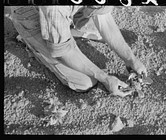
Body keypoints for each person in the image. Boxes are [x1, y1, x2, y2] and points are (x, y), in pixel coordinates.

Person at [10, 6, 147, 97]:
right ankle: (30, 41)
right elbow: (64, 52)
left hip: (62, 12)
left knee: (96, 26)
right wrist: (105, 78)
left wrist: (131, 59)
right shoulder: (54, 8)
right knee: (85, 82)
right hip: (31, 16)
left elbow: (104, 18)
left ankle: (66, 28)